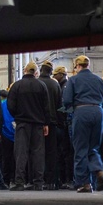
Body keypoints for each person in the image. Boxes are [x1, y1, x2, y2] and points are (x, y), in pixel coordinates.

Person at [61, 55, 103, 192]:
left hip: (82, 112)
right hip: (99, 112)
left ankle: (84, 183)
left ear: (77, 66)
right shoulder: (99, 80)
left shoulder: (74, 80)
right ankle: (99, 170)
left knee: (81, 148)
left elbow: (67, 100)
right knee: (93, 147)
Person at [8, 61, 52, 191]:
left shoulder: (17, 86)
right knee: (38, 154)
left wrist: (18, 116)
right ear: (36, 72)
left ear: (25, 71)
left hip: (22, 124)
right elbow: (46, 107)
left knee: (21, 153)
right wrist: (46, 123)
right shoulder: (41, 85)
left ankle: (19, 182)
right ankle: (38, 182)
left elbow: (11, 106)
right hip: (38, 124)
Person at [37, 61, 63, 189]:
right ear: (51, 71)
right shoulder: (55, 84)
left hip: (37, 123)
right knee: (52, 152)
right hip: (52, 124)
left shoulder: (36, 83)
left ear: (41, 70)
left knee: (37, 151)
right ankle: (51, 180)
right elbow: (59, 104)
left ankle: (37, 179)